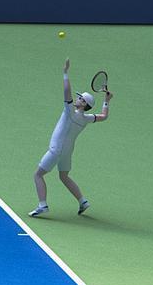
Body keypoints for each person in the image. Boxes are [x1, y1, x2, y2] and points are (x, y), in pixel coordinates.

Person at [31, 61, 108, 218]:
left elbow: (67, 92)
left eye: (81, 99)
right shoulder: (86, 118)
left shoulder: (69, 111)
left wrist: (65, 73)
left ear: (83, 104)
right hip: (67, 152)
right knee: (63, 176)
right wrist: (107, 101)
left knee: (38, 175)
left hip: (56, 149)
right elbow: (104, 116)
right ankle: (82, 201)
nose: (77, 98)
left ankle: (42, 205)